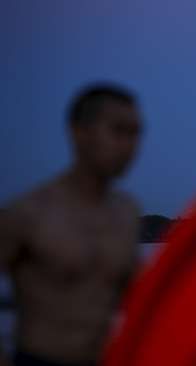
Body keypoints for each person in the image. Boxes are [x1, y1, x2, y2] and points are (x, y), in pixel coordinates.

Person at [0, 84, 143, 366]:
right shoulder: (30, 212)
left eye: (136, 133)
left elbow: (143, 296)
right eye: (118, 131)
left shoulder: (127, 214)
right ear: (79, 132)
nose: (130, 145)